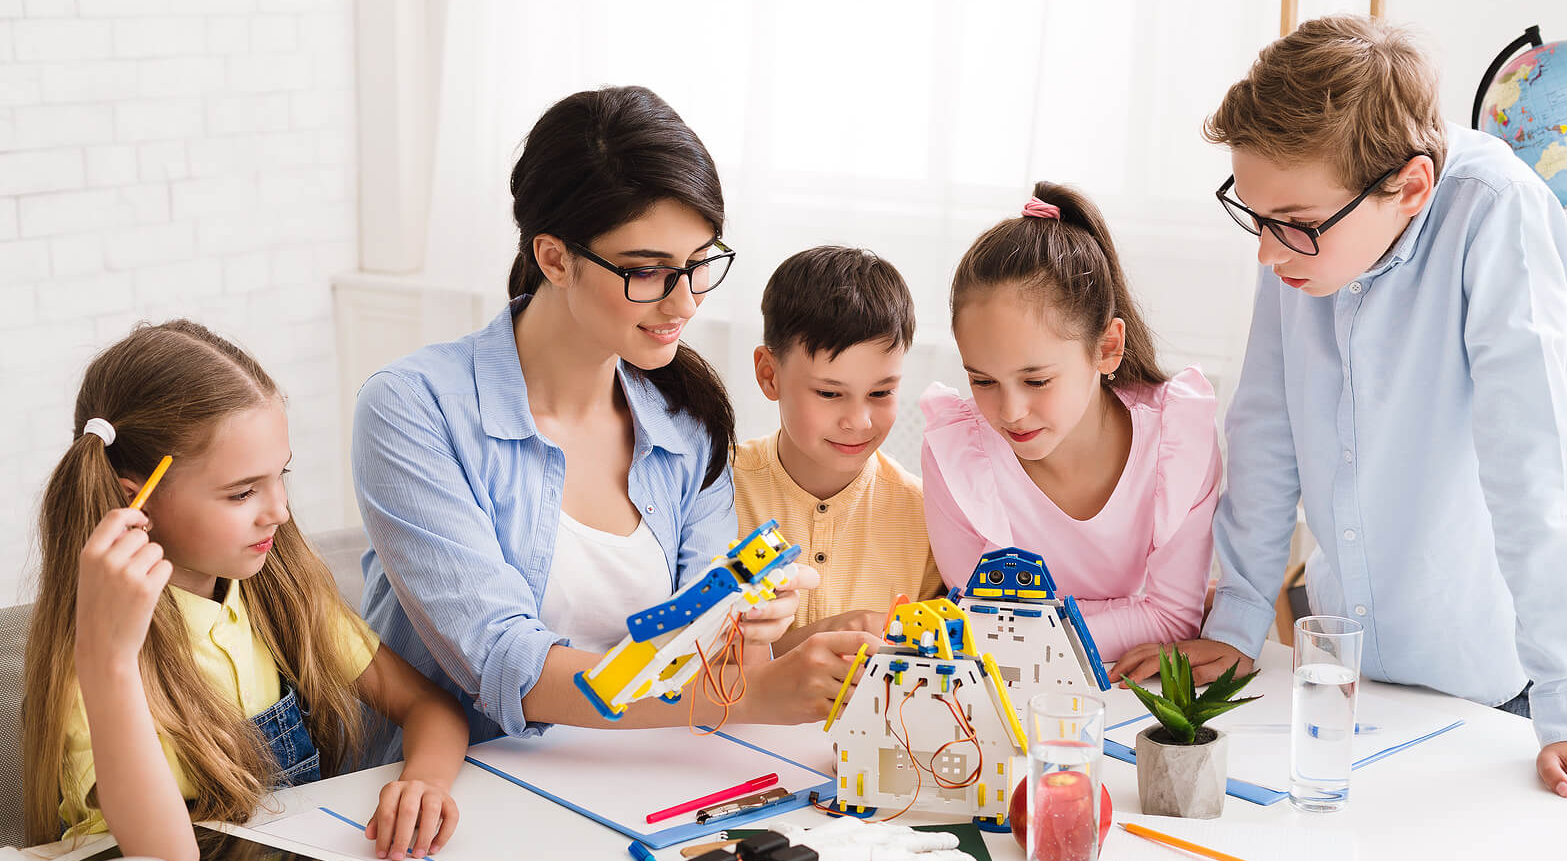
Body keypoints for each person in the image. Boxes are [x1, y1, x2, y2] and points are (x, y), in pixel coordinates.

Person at [1113, 15, 1567, 798]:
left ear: (1409, 188)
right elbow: (1267, 427)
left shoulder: (1496, 213)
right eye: (1256, 217)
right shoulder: (1302, 243)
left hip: (1485, 687)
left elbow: (1532, 469)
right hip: (1341, 677)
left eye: (1295, 227)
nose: (1268, 255)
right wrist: (1238, 622)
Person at [353, 86, 877, 753]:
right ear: (554, 258)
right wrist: (749, 694)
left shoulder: (685, 419)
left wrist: (748, 621)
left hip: (641, 779)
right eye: (647, 272)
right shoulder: (412, 410)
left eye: (699, 264)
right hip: (464, 793)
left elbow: (705, 655)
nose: (683, 302)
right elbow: (504, 661)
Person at [21, 321, 469, 861]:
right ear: (137, 499)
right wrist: (110, 666)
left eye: (280, 476)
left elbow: (431, 707)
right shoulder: (95, 660)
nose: (278, 510)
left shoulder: (277, 590)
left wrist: (422, 782)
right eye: (242, 492)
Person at [920, 184, 1221, 664]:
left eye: (1036, 381)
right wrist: (1127, 616)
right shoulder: (958, 454)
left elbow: (1172, 620)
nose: (1011, 411)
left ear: (1107, 349)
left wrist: (1038, 633)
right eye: (982, 380)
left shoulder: (1176, 441)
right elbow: (983, 633)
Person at [733, 246, 943, 653]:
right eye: (830, 392)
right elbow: (687, 659)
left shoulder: (926, 515)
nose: (859, 421)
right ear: (768, 375)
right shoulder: (714, 490)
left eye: (881, 392)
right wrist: (815, 639)